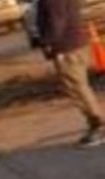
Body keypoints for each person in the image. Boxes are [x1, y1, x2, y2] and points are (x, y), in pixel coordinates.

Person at [38, 0, 105, 146]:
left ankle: (97, 125)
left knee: (77, 88)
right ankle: (96, 123)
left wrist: (48, 43)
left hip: (66, 47)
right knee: (81, 86)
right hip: (76, 43)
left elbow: (56, 21)